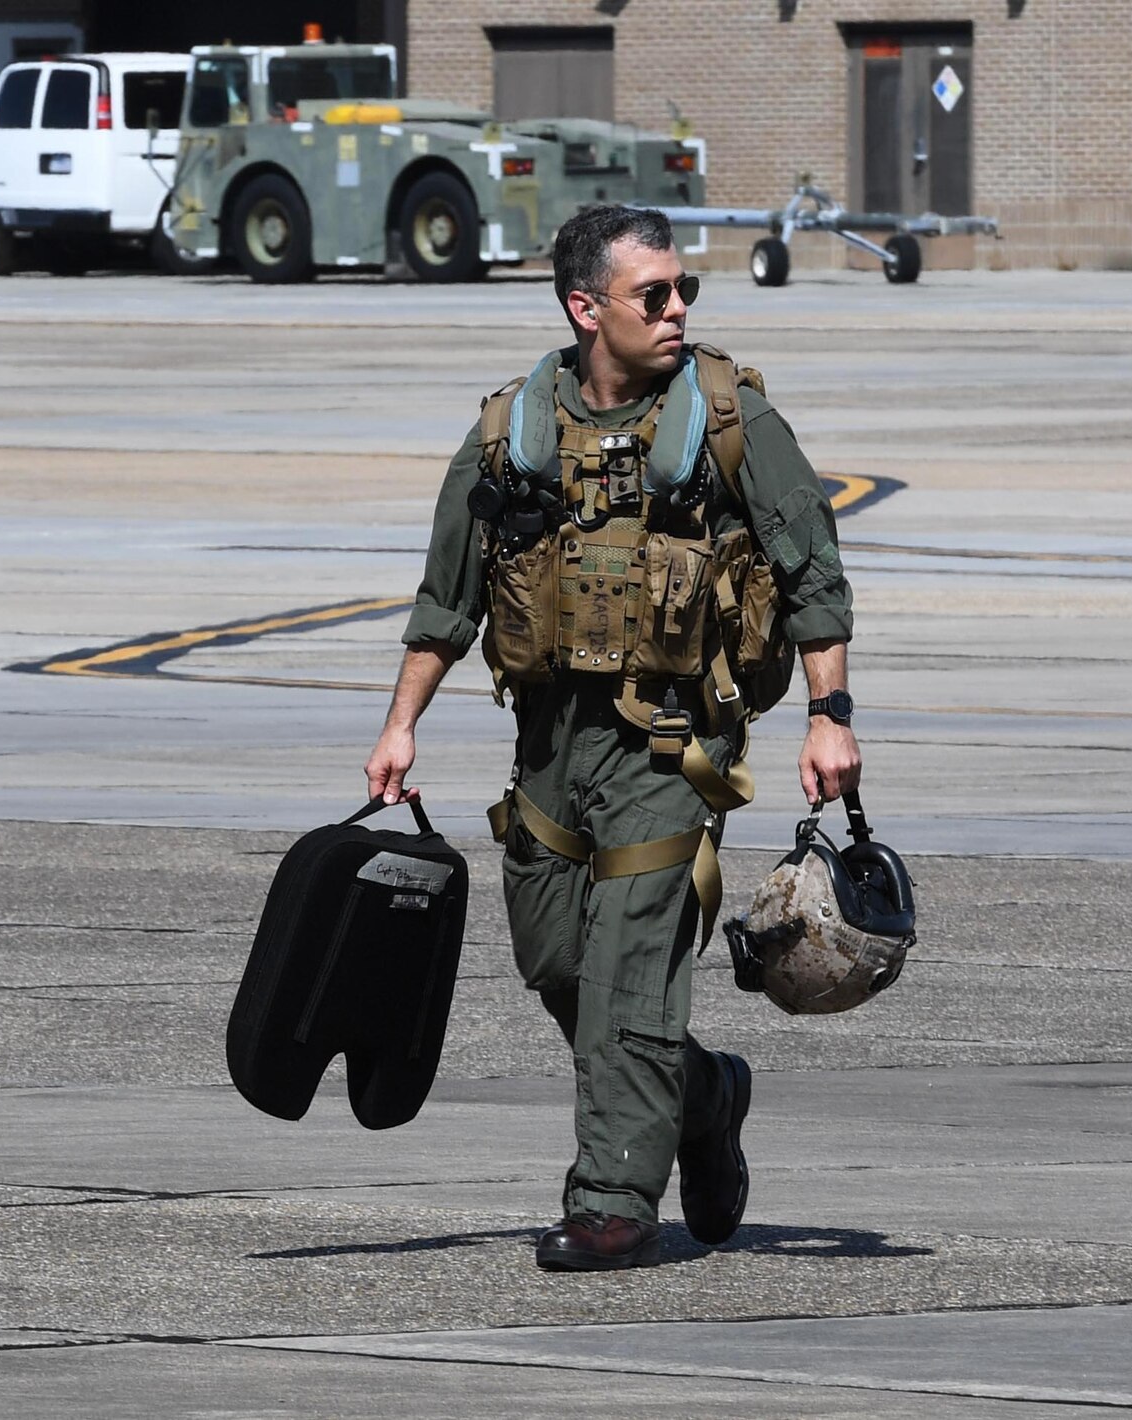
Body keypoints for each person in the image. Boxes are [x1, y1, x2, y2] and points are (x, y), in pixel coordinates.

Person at [364, 205, 860, 1271]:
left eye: (684, 292)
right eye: (654, 295)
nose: (677, 309)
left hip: (670, 745)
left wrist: (830, 716)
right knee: (556, 962)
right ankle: (703, 1091)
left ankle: (611, 1200)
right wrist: (400, 723)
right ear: (586, 309)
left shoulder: (726, 418)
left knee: (632, 967)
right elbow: (444, 596)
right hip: (547, 746)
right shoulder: (510, 429)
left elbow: (813, 571)